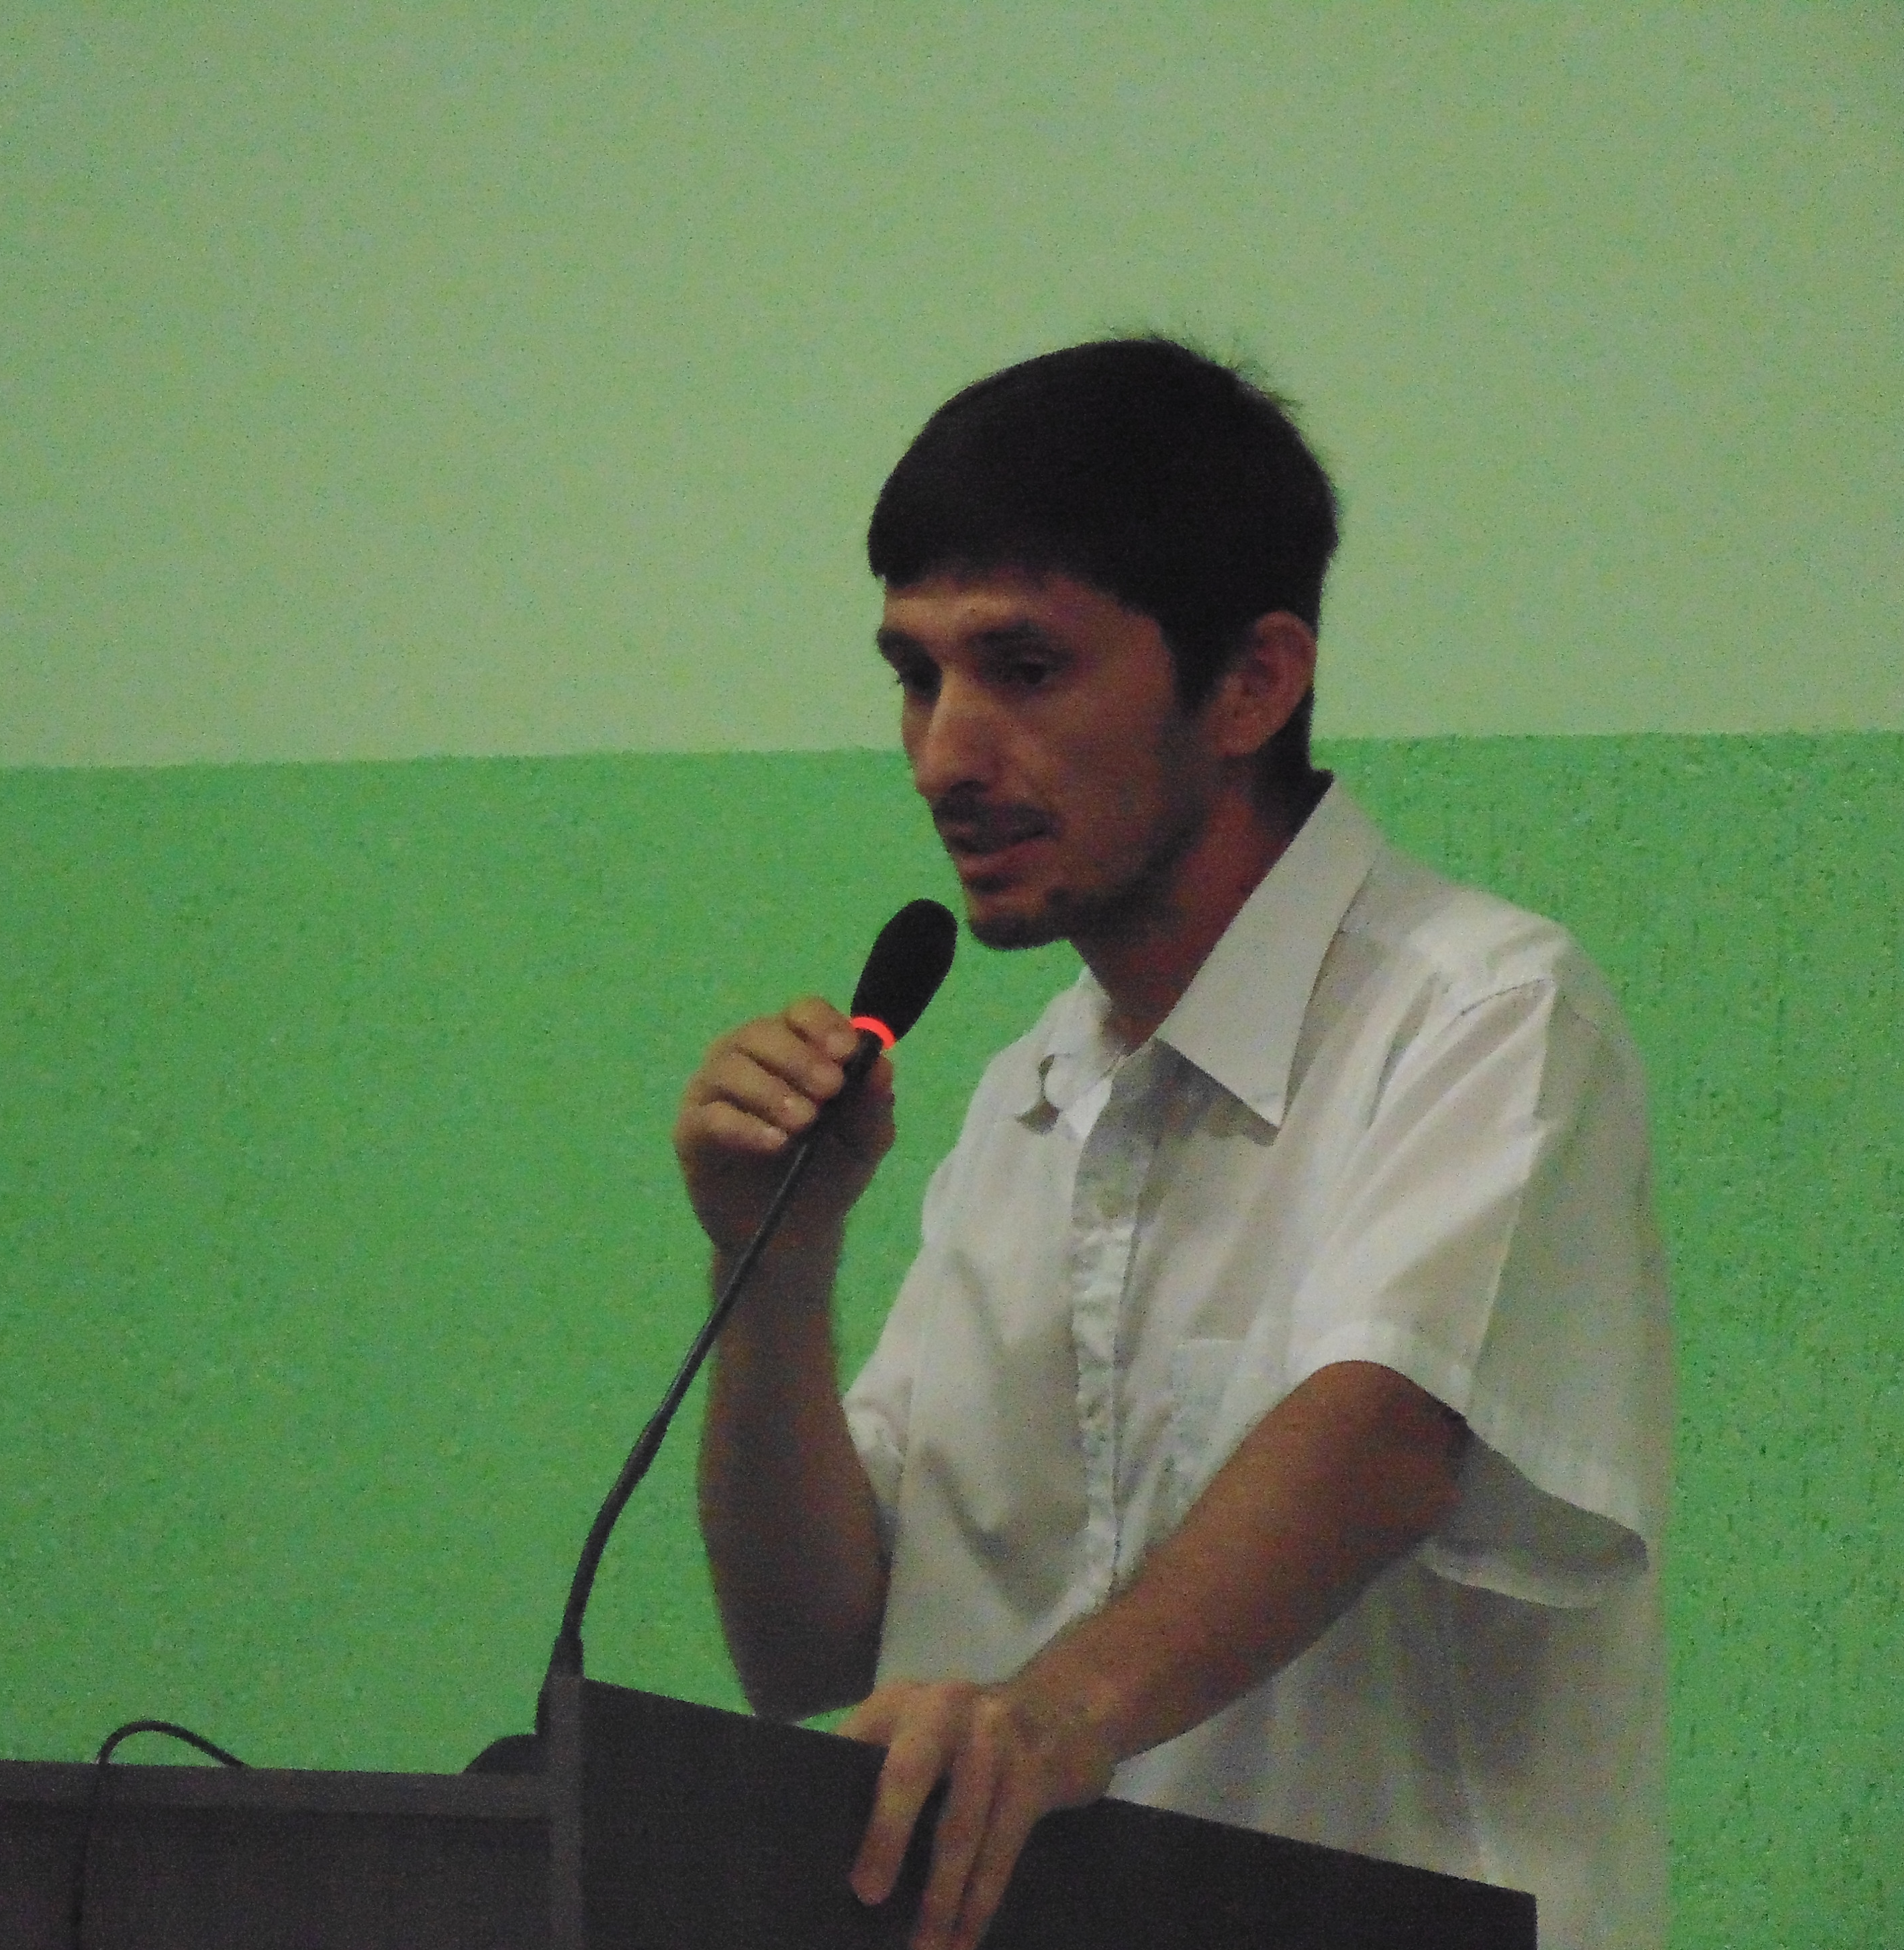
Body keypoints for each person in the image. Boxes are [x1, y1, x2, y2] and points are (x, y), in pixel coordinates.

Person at [677, 338, 1670, 1950]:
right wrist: (772, 1264)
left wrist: (1049, 1718)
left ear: (1252, 684)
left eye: (1024, 668)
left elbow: (1380, 1443)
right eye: (915, 675)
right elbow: (809, 1654)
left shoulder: (1480, 1014)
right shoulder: (1022, 1099)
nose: (942, 754)